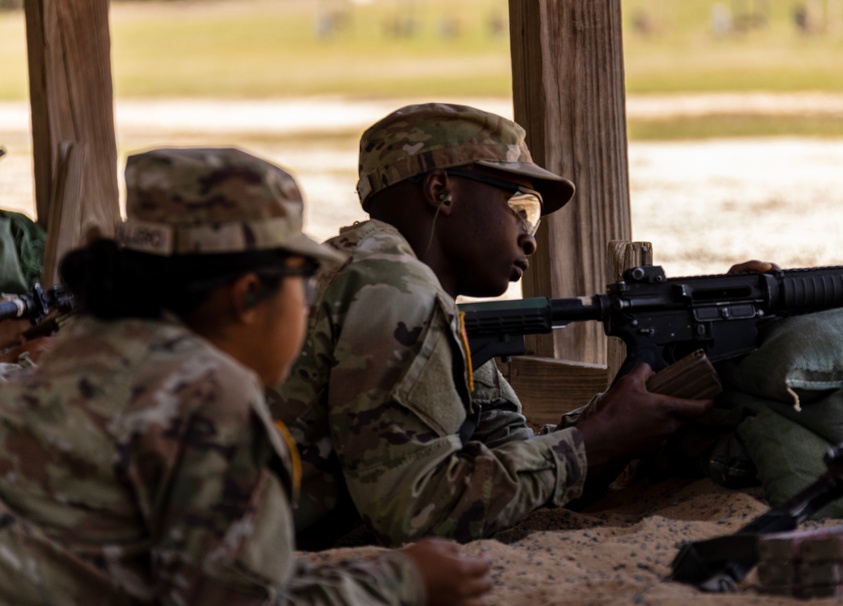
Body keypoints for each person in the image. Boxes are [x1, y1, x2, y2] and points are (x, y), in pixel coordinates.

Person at [0, 147, 492, 606]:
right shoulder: (207, 391)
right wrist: (405, 580)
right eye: (306, 284)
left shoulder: (80, 350)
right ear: (250, 294)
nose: (307, 304)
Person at [267, 103, 714, 549]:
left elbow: (506, 456)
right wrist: (595, 442)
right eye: (520, 206)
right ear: (441, 189)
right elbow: (417, 512)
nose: (530, 237)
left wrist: (613, 421)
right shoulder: (394, 288)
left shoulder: (400, 283)